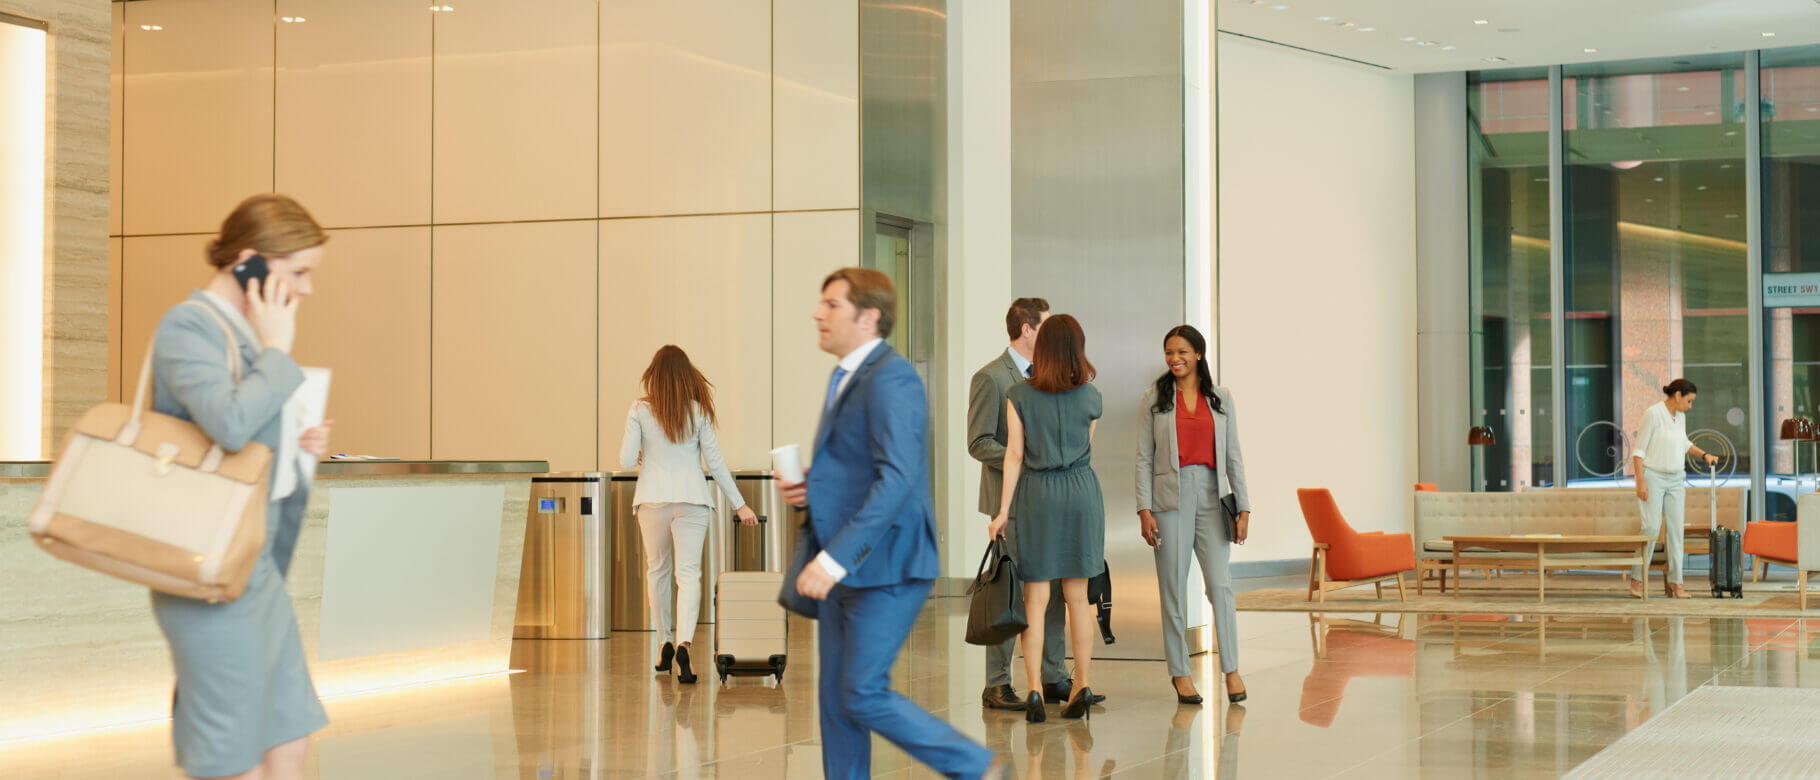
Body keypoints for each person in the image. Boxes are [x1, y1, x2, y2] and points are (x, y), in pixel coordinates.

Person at [778, 268, 1002, 779]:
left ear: (869, 316)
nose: (818, 312)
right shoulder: (847, 375)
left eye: (831, 304)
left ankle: (977, 768)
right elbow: (863, 469)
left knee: (861, 691)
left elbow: (898, 479)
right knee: (837, 701)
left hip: (888, 565)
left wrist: (833, 559)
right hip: (845, 561)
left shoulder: (892, 377)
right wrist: (810, 486)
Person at [148, 193, 335, 780]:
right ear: (250, 261)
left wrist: (296, 449)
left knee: (288, 733)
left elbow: (242, 438)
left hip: (256, 568)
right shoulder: (189, 326)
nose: (306, 289)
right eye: (298, 272)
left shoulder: (247, 337)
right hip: (209, 571)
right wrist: (278, 352)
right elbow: (226, 424)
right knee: (232, 755)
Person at [987, 314, 1105, 723]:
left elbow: (1014, 455)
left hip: (1037, 496)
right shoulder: (1091, 397)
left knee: (1034, 600)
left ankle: (1035, 688)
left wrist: (1003, 511)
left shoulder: (1019, 395)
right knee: (1078, 599)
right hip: (1081, 495)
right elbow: (1082, 449)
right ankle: (1082, 684)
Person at [619, 345, 758, 684]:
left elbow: (625, 460)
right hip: (693, 500)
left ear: (654, 375)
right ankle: (684, 646)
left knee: (658, 572)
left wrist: (640, 452)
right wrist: (740, 504)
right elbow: (716, 465)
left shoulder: (639, 409)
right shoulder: (699, 411)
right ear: (686, 374)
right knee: (689, 575)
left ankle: (664, 642)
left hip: (652, 501)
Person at [968, 297, 1080, 711]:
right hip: (1010, 503)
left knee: (1048, 589)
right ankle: (997, 684)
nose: (1049, 333)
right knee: (1009, 591)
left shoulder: (1049, 377)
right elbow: (978, 443)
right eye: (1045, 326)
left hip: (1047, 501)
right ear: (1028, 329)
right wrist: (1024, 456)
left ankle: (1053, 677)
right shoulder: (991, 378)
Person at [1135, 325, 1250, 705]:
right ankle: (1180, 673)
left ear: (1198, 353)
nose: (1174, 359)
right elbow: (1144, 458)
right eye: (1169, 352)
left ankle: (1231, 670)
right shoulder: (1154, 398)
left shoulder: (1221, 398)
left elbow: (1233, 455)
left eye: (1182, 351)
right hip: (1168, 498)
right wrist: (1144, 508)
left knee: (1221, 586)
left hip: (1212, 497)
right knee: (1172, 589)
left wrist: (1244, 506)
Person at [1630, 378, 1720, 599]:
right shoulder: (1653, 414)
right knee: (1651, 527)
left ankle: (1676, 581)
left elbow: (1684, 443)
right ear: (1678, 395)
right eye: (1689, 401)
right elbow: (1638, 451)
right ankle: (1637, 578)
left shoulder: (1680, 417)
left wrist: (1704, 455)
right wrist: (1640, 481)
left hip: (1676, 479)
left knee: (1676, 531)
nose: (1690, 406)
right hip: (1653, 477)